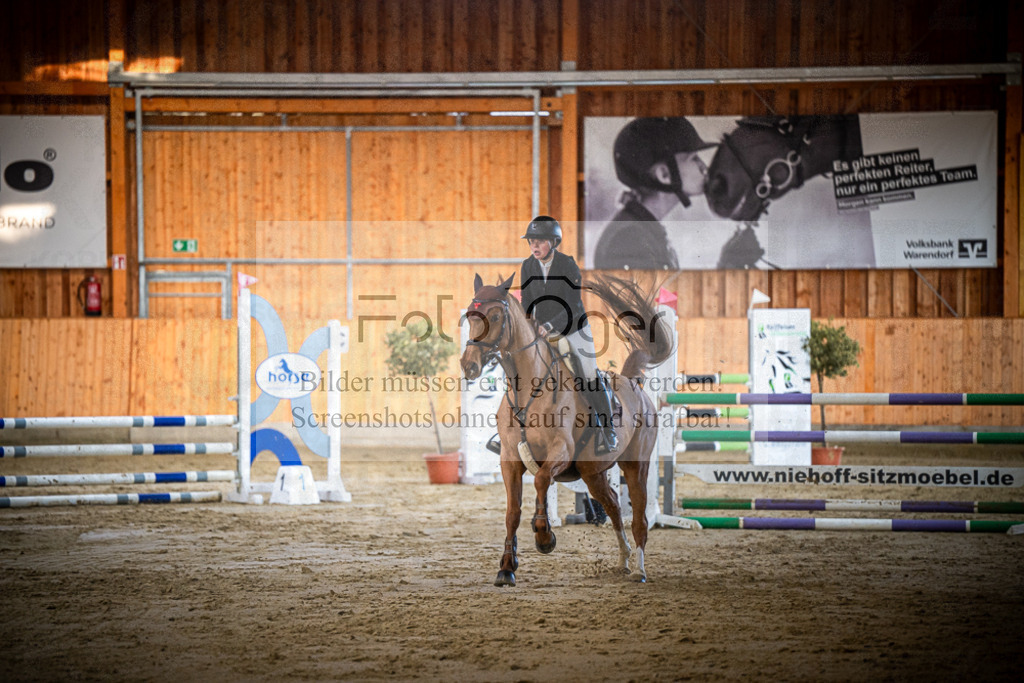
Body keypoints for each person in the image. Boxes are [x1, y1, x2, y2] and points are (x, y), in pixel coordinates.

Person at [519, 215, 618, 454]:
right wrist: (528, 325)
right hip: (541, 330)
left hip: (574, 327)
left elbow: (572, 305)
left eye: (540, 241)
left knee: (587, 373)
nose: (534, 246)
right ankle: (509, 431)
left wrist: (549, 326)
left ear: (553, 243)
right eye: (531, 241)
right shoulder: (527, 266)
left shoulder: (568, 265)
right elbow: (527, 302)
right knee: (520, 372)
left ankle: (608, 429)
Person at [593, 116, 716, 270]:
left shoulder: (639, 230)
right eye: (694, 159)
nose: (704, 168)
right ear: (664, 175)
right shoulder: (630, 240)